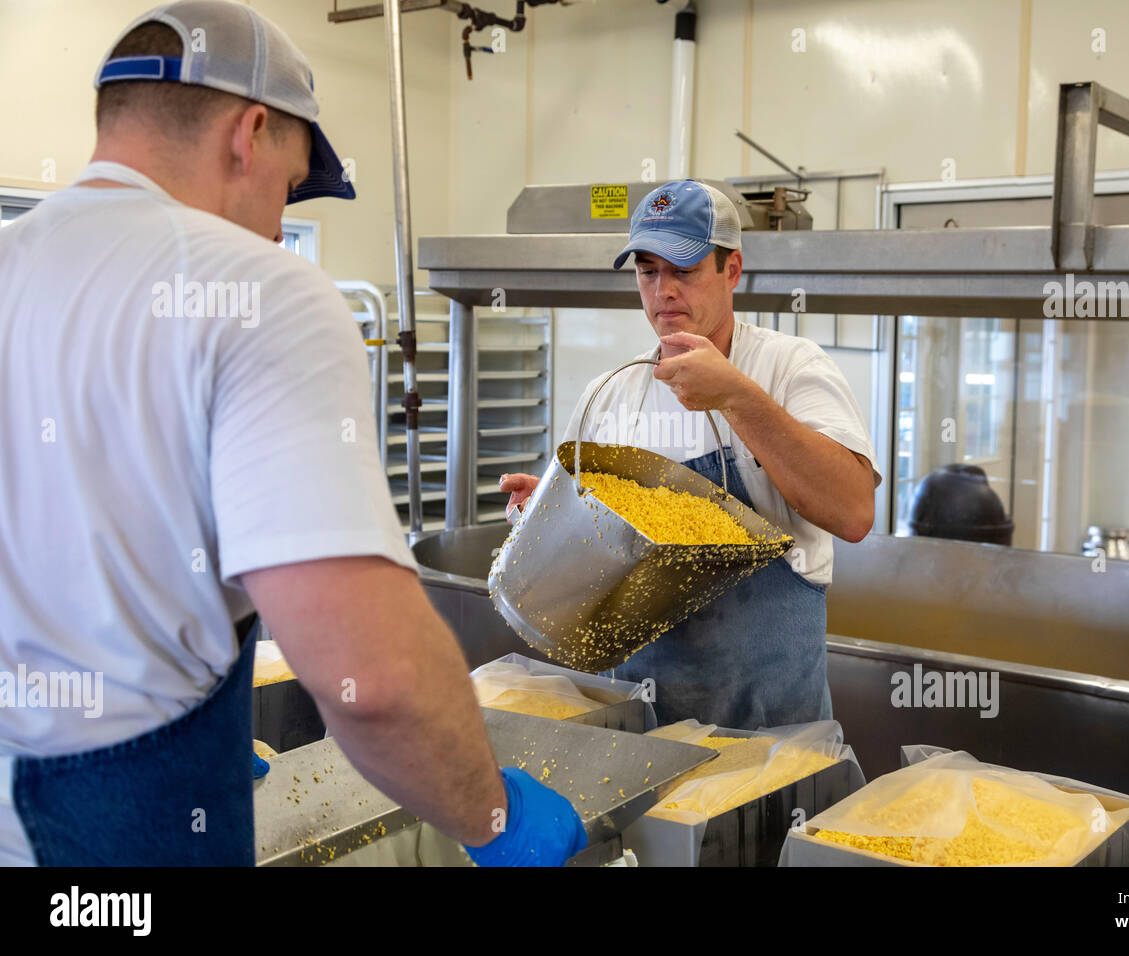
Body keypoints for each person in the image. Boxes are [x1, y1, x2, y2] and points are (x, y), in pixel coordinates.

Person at [0, 0, 583, 867]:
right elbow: (376, 682)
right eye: (288, 184)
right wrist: (494, 817)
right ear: (251, 131)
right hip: (119, 834)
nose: (280, 225)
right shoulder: (265, 290)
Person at [501, 180, 881, 730]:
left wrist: (734, 397)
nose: (663, 291)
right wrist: (557, 516)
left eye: (684, 270)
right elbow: (598, 561)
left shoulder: (790, 368)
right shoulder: (612, 395)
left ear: (732, 270)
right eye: (648, 271)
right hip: (641, 730)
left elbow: (853, 512)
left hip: (771, 731)